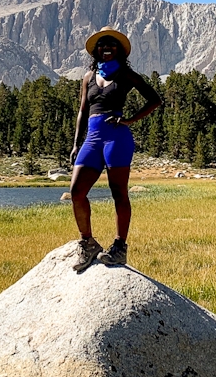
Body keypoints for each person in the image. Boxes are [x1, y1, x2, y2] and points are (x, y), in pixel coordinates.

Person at [69, 28, 163, 272]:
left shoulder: (126, 75)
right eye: (102, 44)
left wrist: (129, 120)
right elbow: (82, 111)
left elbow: (154, 100)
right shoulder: (89, 76)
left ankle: (119, 247)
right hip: (92, 138)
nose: (106, 47)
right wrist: (76, 143)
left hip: (116, 139)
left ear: (120, 50)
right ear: (96, 50)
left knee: (118, 192)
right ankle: (87, 243)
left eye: (112, 44)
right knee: (76, 191)